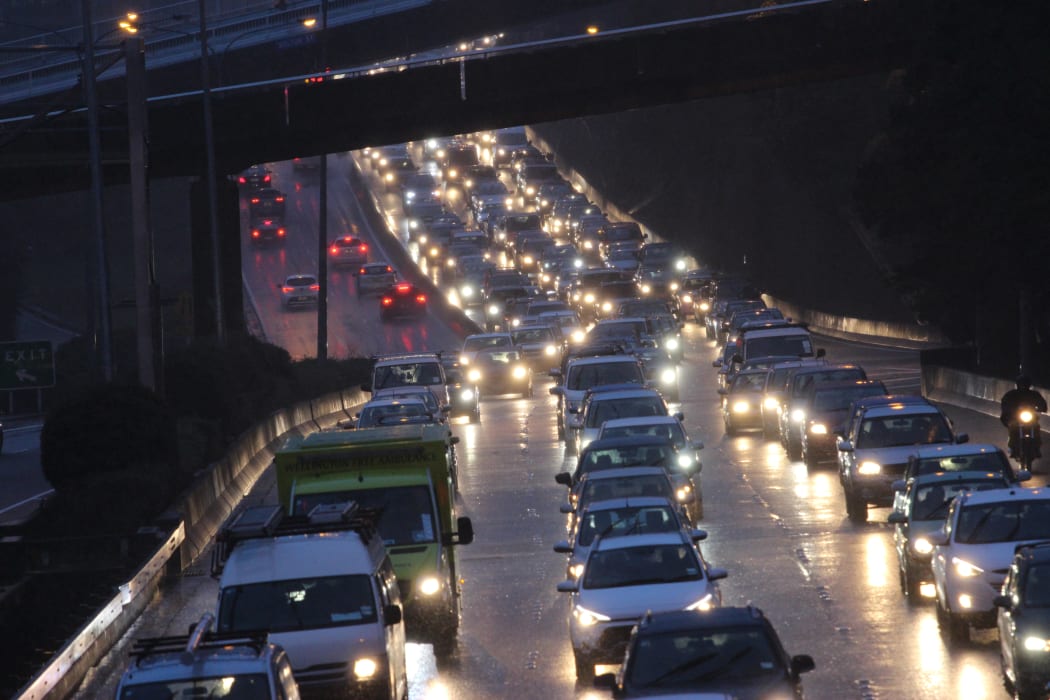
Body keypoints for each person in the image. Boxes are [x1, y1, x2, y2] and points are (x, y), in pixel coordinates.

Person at [1000, 375, 1047, 458]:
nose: (1023, 386)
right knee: (1013, 427)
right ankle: (1012, 447)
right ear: (1018, 384)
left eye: (1025, 384)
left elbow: (1042, 404)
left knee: (1036, 428)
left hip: (1030, 417)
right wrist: (1009, 410)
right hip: (1015, 417)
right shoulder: (1011, 394)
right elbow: (1005, 403)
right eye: (1022, 384)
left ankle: (1037, 448)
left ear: (1029, 385)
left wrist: (1041, 408)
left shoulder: (1034, 394)